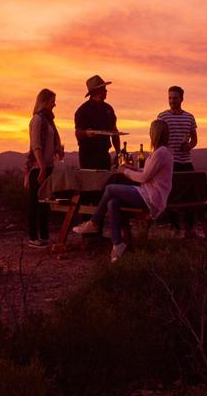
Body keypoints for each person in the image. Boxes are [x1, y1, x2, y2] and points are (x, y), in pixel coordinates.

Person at [72, 119, 173, 262]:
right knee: (113, 202)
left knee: (110, 188)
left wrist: (125, 172)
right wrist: (133, 168)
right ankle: (117, 244)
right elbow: (148, 171)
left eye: (151, 131)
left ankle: (94, 222)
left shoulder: (161, 152)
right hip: (148, 194)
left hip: (151, 198)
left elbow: (144, 178)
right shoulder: (160, 152)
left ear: (155, 133)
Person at [157, 86, 198, 236]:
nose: (172, 101)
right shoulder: (162, 117)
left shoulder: (189, 117)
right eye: (170, 98)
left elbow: (194, 139)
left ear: (182, 98)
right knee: (170, 196)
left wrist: (189, 145)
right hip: (169, 162)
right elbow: (157, 138)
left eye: (175, 98)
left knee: (191, 195)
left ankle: (189, 228)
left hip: (185, 161)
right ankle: (174, 227)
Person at [25, 88, 63, 248]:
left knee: (44, 202)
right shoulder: (38, 120)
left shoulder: (49, 121)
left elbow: (47, 144)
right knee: (35, 201)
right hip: (37, 167)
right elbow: (36, 146)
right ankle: (34, 237)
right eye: (52, 101)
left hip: (47, 166)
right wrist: (41, 167)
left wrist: (57, 150)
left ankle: (44, 236)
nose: (54, 104)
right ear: (44, 101)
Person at [74, 75, 120, 170]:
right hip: (88, 155)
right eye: (104, 89)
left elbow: (114, 132)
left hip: (104, 154)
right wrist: (86, 133)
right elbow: (78, 132)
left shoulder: (108, 109)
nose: (106, 91)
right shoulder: (83, 110)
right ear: (97, 92)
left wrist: (118, 152)